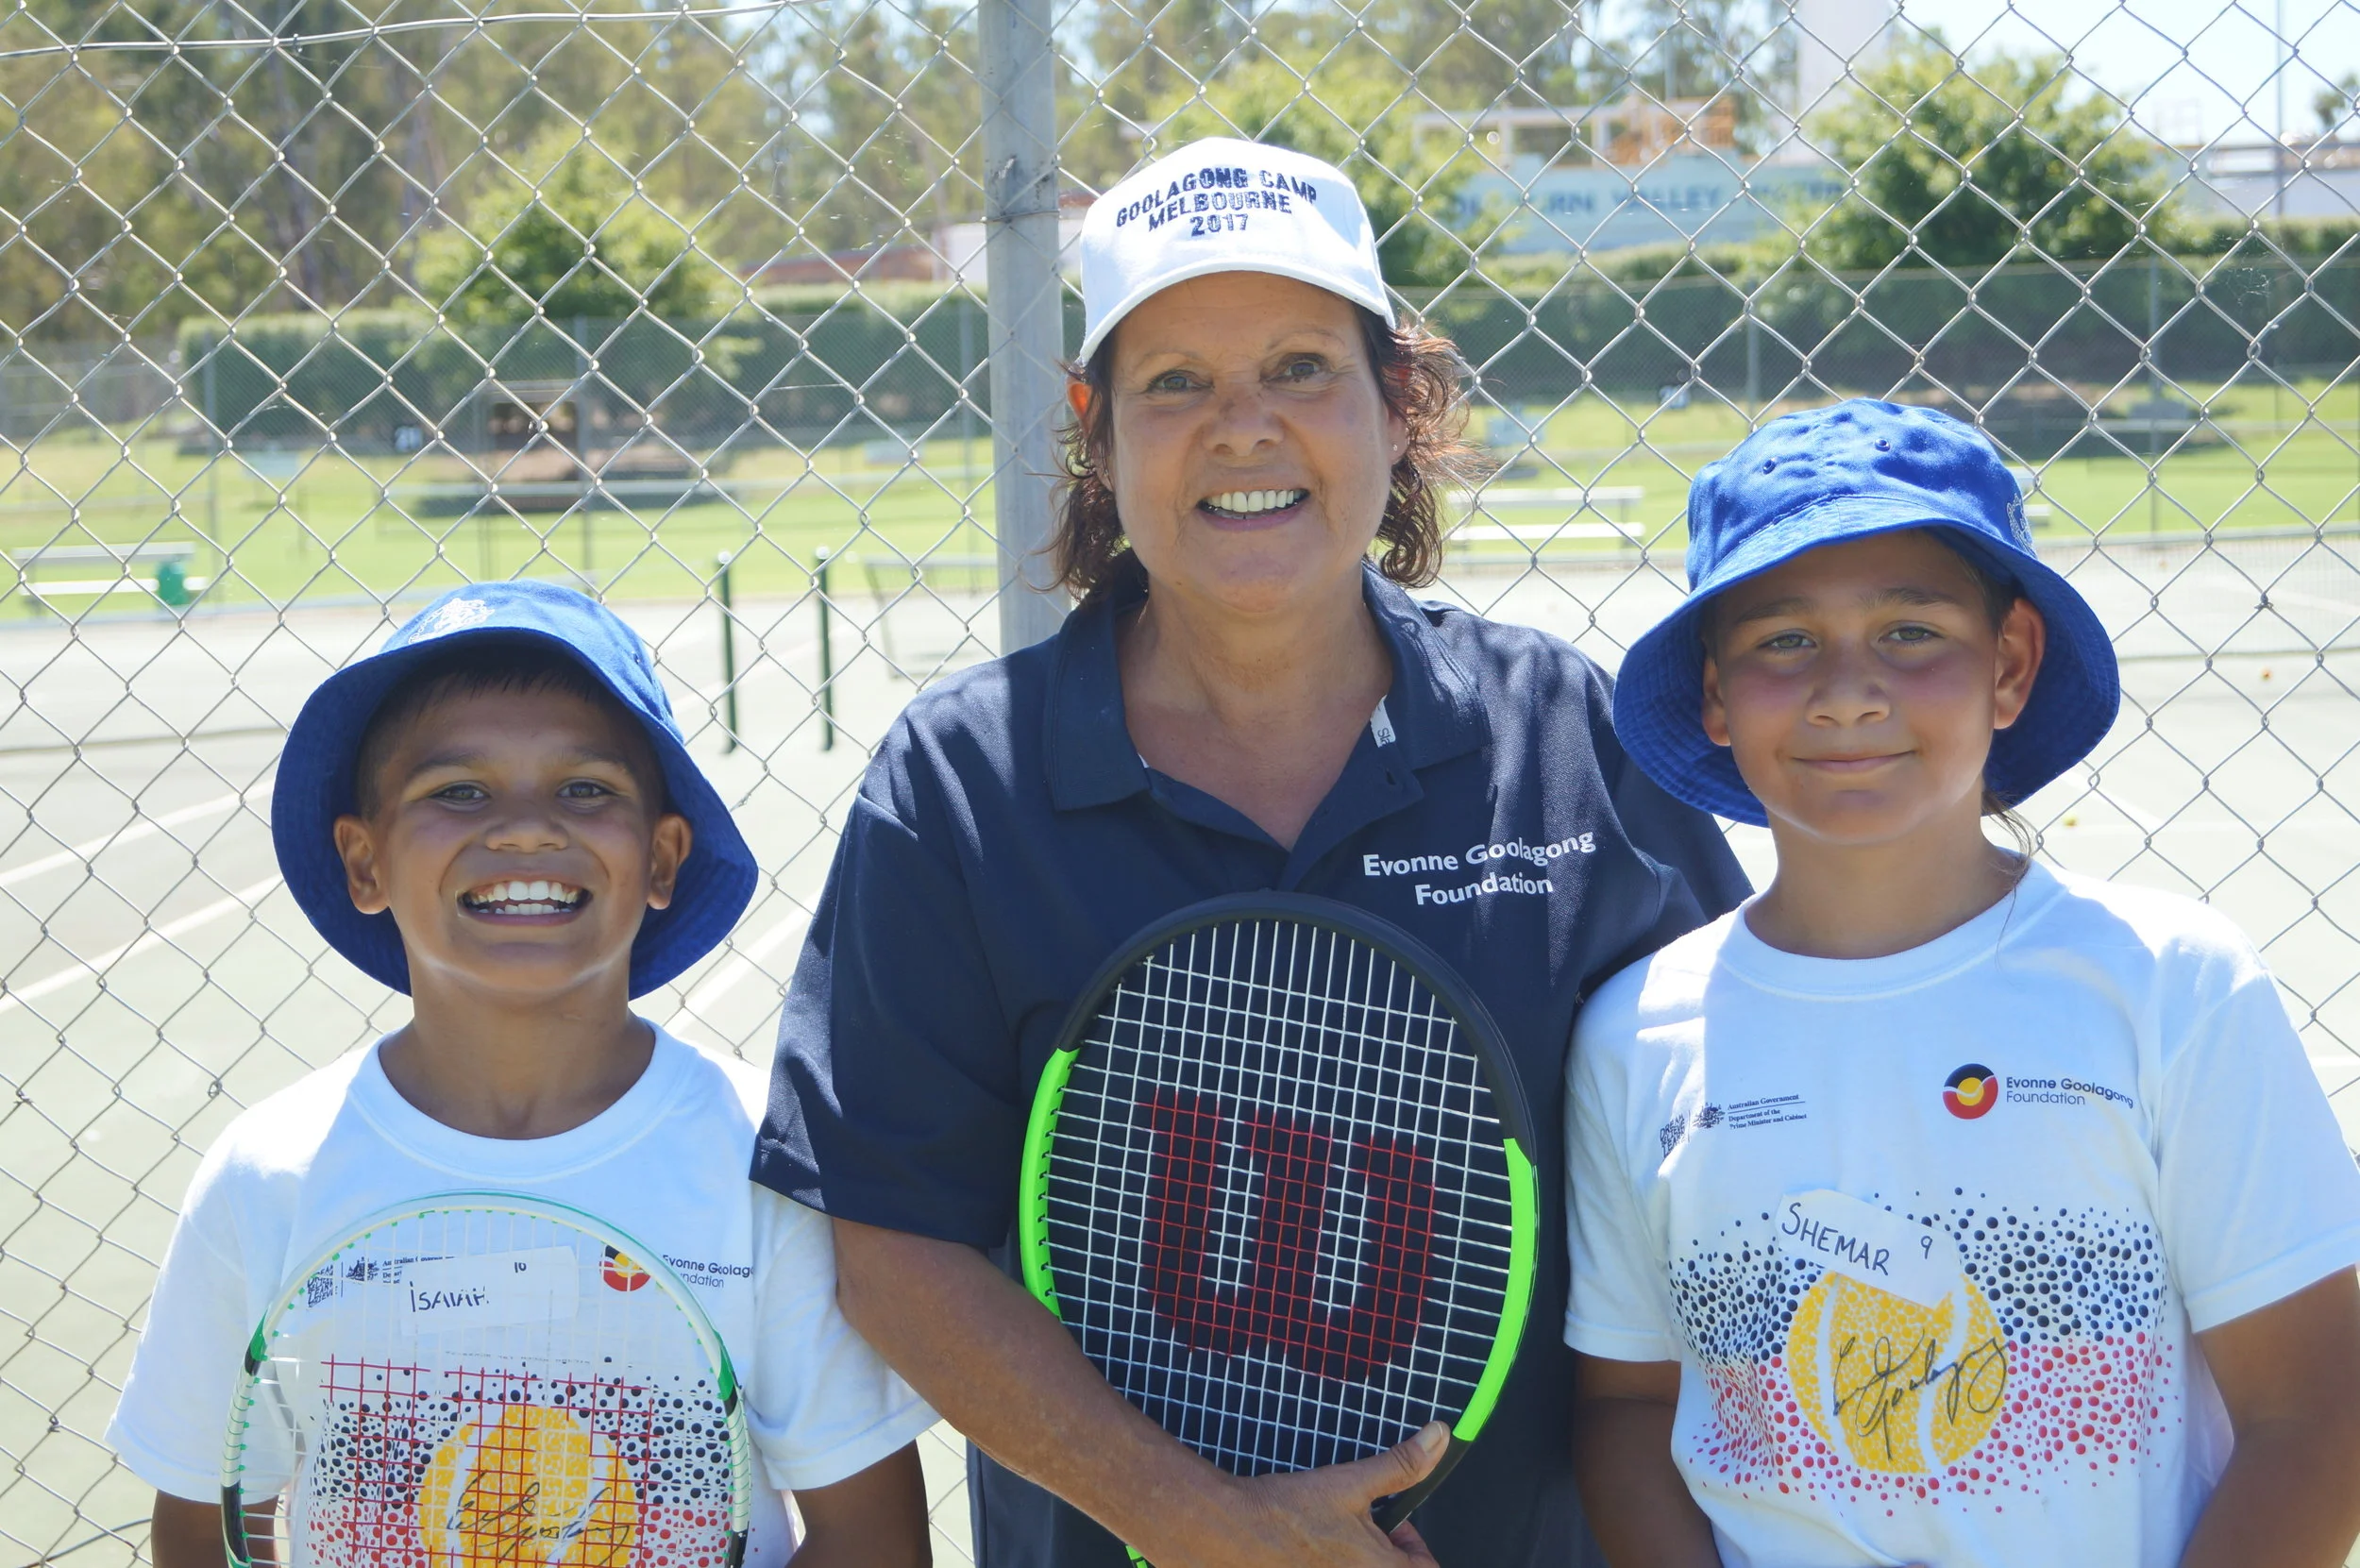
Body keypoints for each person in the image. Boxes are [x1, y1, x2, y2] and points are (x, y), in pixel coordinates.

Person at [755, 136, 1750, 1568]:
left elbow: (1704, 1152)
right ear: (1097, 434)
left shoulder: (1561, 735)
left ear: (1398, 407)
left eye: (1300, 367)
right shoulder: (964, 780)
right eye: (1176, 384)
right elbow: (898, 1248)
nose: (1243, 426)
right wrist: (1205, 1528)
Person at [1564, 399, 2360, 1568]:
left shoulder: (2166, 985)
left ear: (2011, 663)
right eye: (1783, 641)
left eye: (1911, 631)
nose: (1847, 692)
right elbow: (1627, 1404)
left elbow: (2316, 1412)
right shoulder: (1637, 1036)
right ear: (1713, 697)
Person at [108, 582, 937, 1568]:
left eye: (586, 787)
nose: (526, 827)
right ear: (363, 863)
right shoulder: (267, 1174)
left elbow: (869, 1536)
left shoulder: (765, 1155)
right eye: (457, 790)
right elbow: (208, 1519)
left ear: (664, 856)